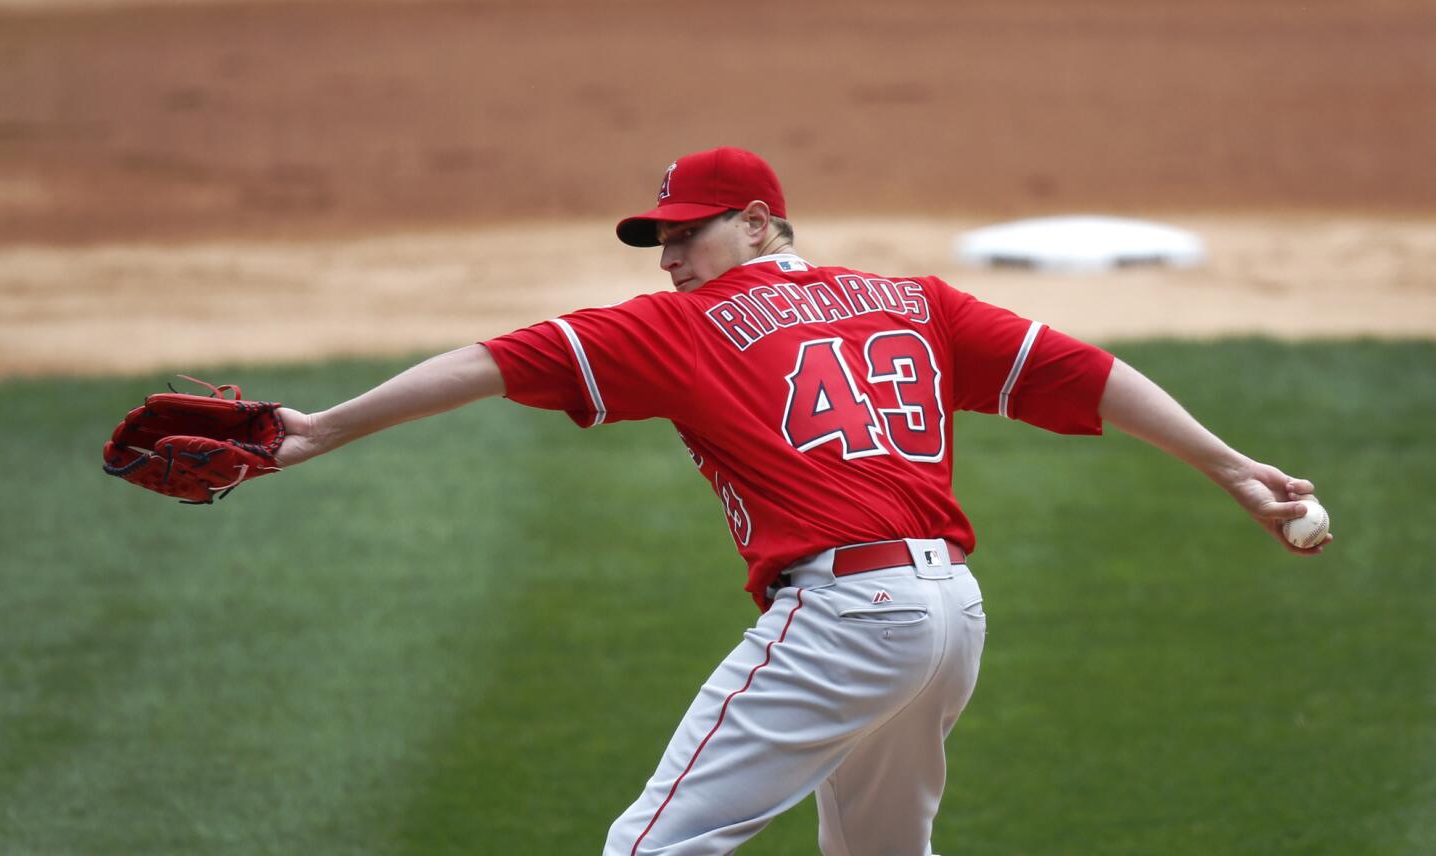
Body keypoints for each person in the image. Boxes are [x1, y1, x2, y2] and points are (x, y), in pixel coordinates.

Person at [272, 147, 1329, 855]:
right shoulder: (917, 301)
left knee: (651, 844)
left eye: (690, 233)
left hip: (848, 617)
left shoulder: (680, 327)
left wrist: (322, 428)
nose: (673, 257)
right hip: (951, 619)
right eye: (661, 241)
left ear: (763, 223)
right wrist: (1228, 462)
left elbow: (491, 362)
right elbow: (1082, 370)